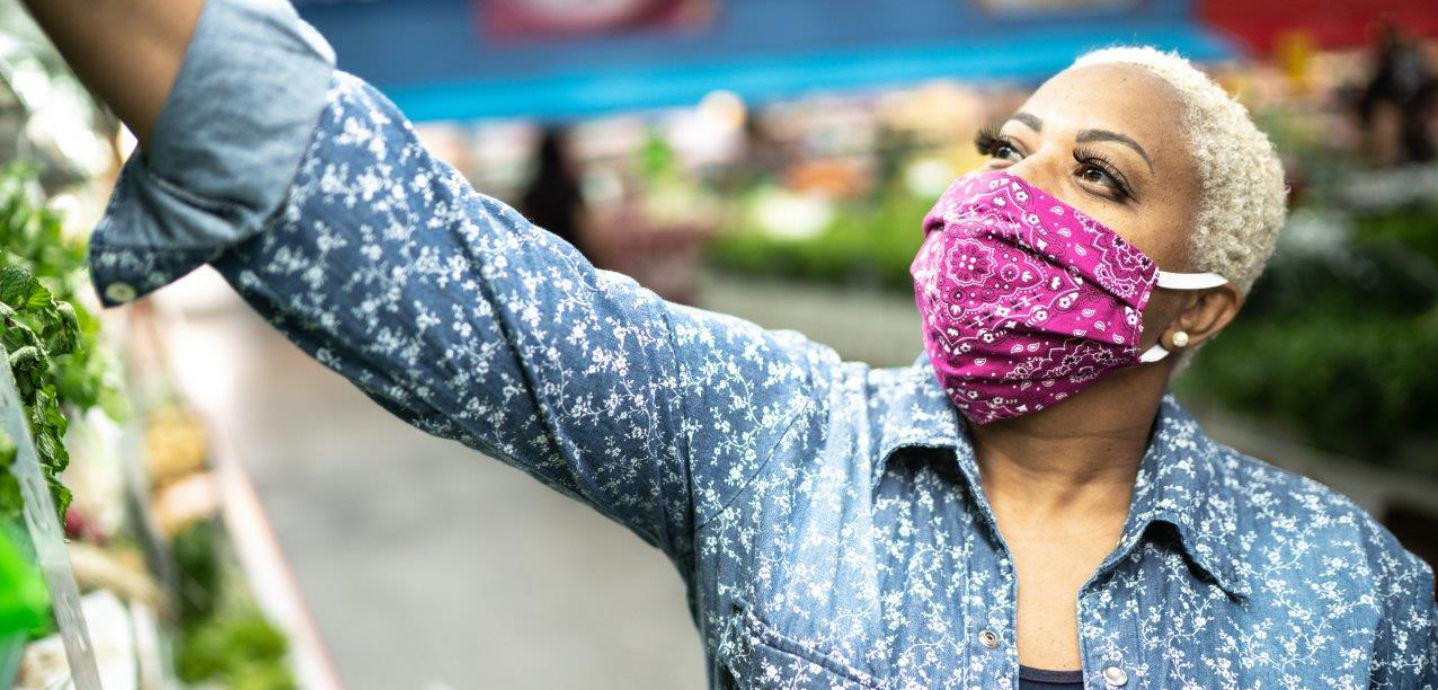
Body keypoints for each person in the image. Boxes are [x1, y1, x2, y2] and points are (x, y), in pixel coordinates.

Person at [23, 0, 1438, 688]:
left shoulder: (1349, 593)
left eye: (1098, 177)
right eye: (1007, 151)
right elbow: (409, 251)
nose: (1012, 193)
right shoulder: (772, 431)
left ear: (1201, 304)